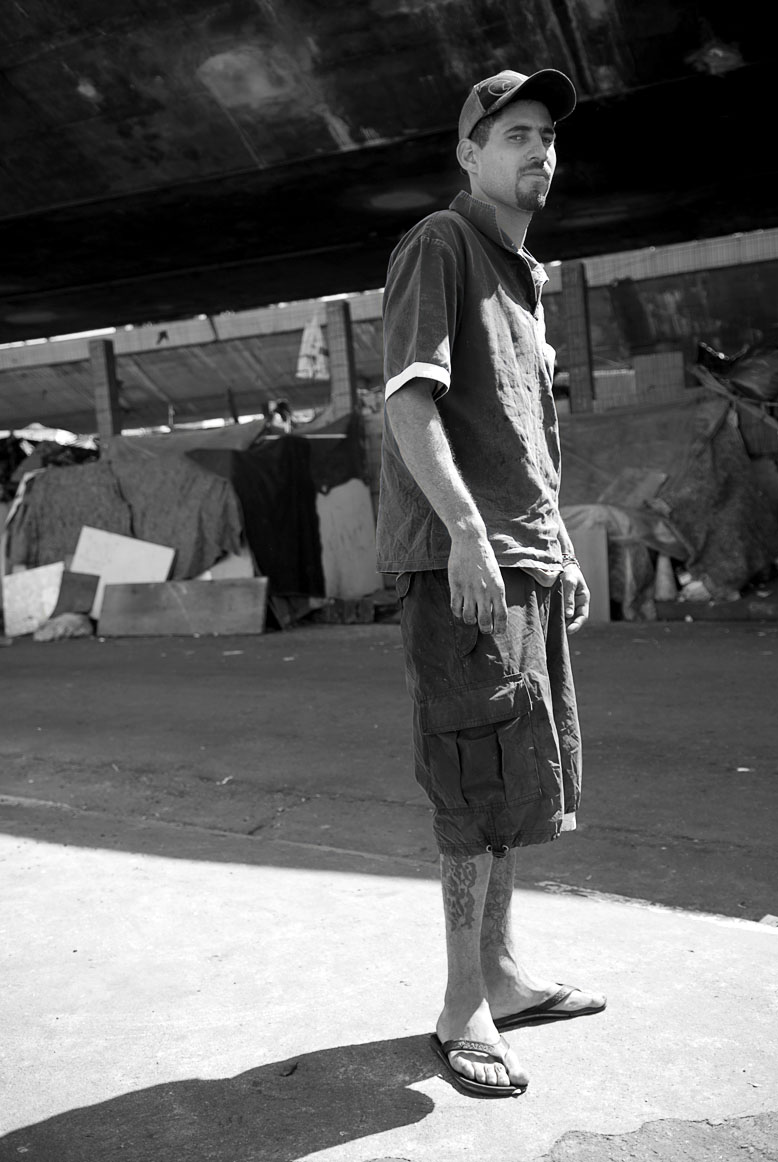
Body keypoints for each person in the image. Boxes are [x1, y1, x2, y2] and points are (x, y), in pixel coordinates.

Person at [376, 68, 606, 1097]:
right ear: (469, 154)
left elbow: (521, 431)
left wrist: (556, 549)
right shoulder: (442, 243)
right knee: (472, 785)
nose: (538, 150)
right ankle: (462, 1004)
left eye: (547, 136)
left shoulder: (523, 275)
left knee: (514, 779)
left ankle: (504, 976)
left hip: (522, 559)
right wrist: (467, 534)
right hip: (462, 566)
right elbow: (409, 404)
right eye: (515, 134)